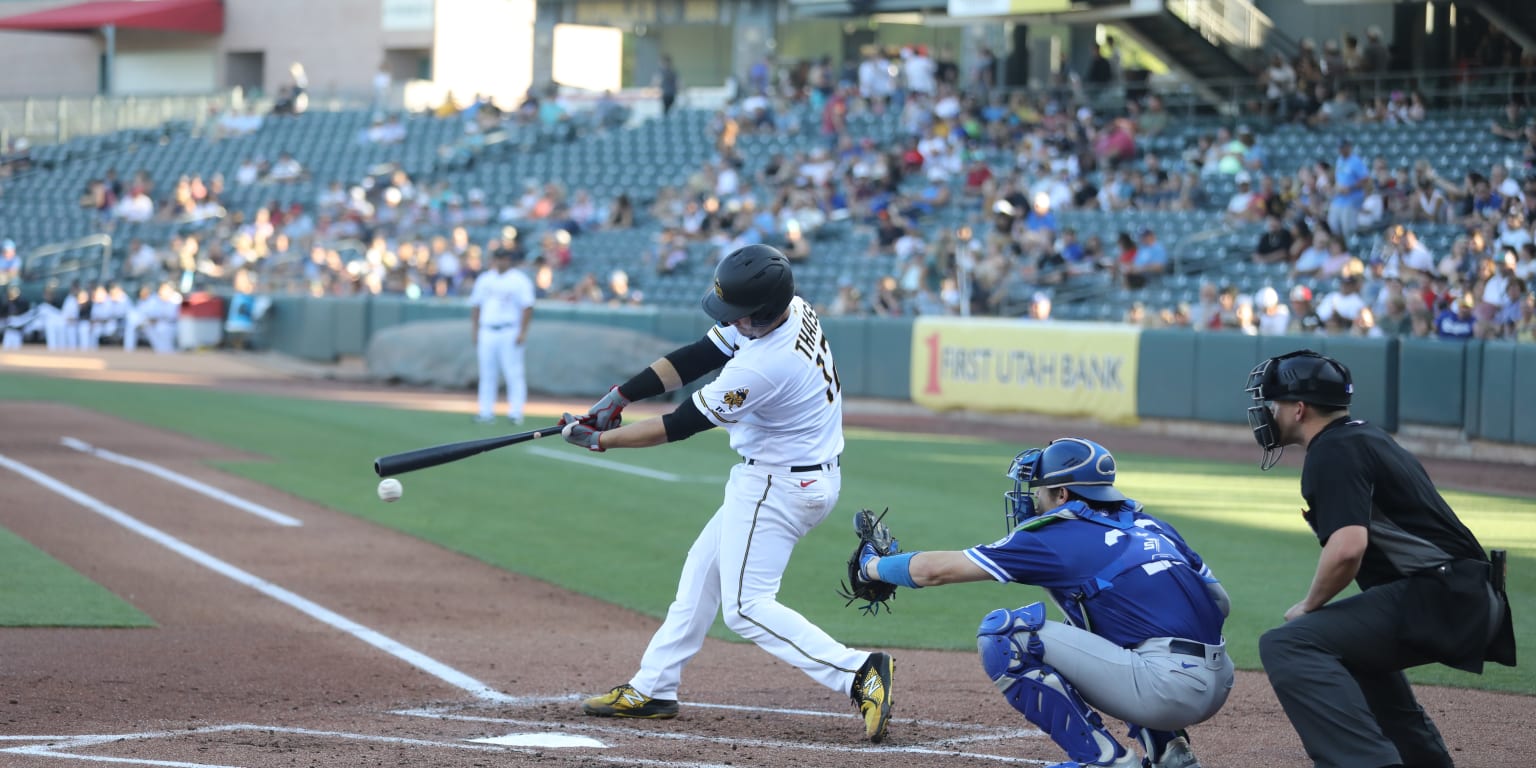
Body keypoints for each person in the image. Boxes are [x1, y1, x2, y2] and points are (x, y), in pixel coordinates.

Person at [559, 244, 894, 742]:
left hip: (778, 485)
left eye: (739, 316)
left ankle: (856, 671)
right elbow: (700, 353)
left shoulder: (763, 366)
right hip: (795, 474)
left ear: (761, 313)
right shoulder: (790, 308)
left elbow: (679, 424)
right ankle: (654, 687)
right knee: (701, 572)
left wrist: (599, 439)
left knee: (746, 607)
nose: (732, 323)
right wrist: (621, 395)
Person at [852, 437, 1232, 768]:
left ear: (1062, 494)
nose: (1031, 496)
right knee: (1092, 624)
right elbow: (1220, 602)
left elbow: (937, 571)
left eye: (1038, 488)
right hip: (1219, 678)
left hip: (1166, 690)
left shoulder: (1057, 535)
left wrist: (872, 566)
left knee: (1005, 636)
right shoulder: (1151, 525)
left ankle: (1106, 762)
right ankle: (1170, 751)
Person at [1243, 350, 1515, 768]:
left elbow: (1349, 547)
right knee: (1349, 649)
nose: (1268, 413)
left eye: (1274, 404)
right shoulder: (1363, 435)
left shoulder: (1332, 451)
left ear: (1298, 409)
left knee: (1289, 643)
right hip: (1461, 591)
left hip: (1441, 594)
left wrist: (1309, 606)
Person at [469, 247, 535, 424]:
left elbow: (527, 307)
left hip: (509, 330)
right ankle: (485, 411)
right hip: (487, 330)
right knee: (487, 373)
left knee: (513, 373)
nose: (501, 261)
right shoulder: (485, 279)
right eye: (498, 258)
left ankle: (515, 412)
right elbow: (476, 306)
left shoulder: (519, 280)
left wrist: (522, 332)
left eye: (504, 258)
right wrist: (475, 331)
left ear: (509, 260)